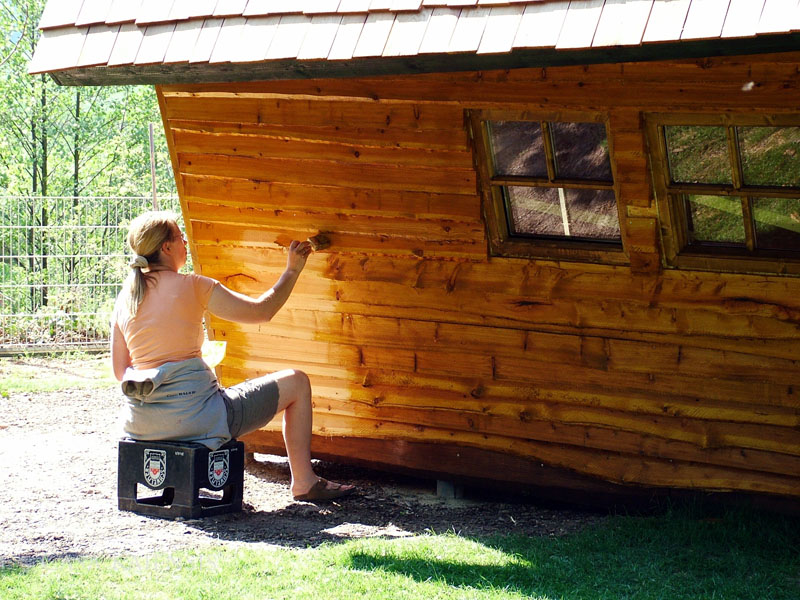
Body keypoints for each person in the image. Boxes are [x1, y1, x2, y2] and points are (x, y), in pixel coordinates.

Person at [110, 210, 354, 502]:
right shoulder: (194, 285)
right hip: (198, 419)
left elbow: (120, 371)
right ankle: (304, 481)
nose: (185, 242)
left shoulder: (125, 297)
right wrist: (292, 270)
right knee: (297, 382)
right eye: (180, 237)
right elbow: (262, 311)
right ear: (166, 247)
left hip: (142, 424)